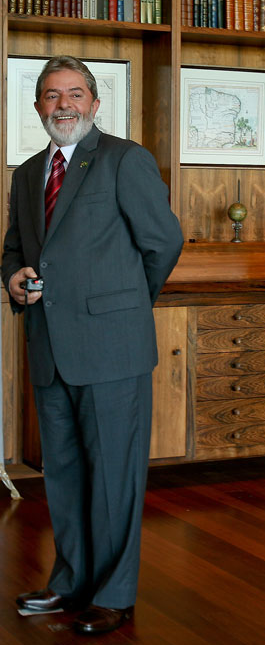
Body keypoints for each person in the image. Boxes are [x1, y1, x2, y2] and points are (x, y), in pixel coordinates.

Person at [2, 56, 183, 635]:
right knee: (65, 473)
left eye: (75, 93)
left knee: (114, 475)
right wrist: (12, 278)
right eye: (52, 96)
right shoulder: (28, 173)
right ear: (37, 108)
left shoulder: (124, 159)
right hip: (50, 346)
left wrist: (124, 303)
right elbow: (13, 249)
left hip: (113, 346)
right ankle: (70, 581)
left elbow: (163, 243)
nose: (64, 105)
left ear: (95, 103)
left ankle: (114, 593)